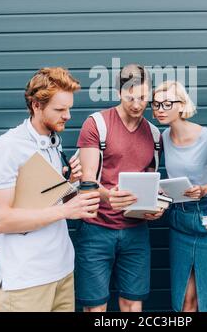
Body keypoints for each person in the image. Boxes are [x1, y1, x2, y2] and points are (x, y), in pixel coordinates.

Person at [0, 67, 100, 312]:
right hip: (27, 282)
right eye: (60, 110)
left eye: (69, 108)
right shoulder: (9, 147)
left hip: (62, 271)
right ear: (36, 105)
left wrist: (70, 184)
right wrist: (66, 211)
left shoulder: (53, 142)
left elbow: (44, 202)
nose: (68, 116)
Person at [75, 64, 164, 313]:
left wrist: (155, 206)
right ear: (118, 92)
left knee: (132, 303)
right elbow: (87, 180)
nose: (137, 105)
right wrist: (108, 195)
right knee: (95, 307)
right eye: (130, 97)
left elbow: (151, 182)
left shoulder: (155, 135)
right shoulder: (97, 124)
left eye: (143, 98)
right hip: (96, 229)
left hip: (136, 232)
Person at [152, 81, 207, 312]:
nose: (160, 109)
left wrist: (205, 189)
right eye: (156, 104)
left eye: (167, 103)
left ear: (182, 106)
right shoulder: (163, 138)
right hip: (179, 220)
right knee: (184, 301)